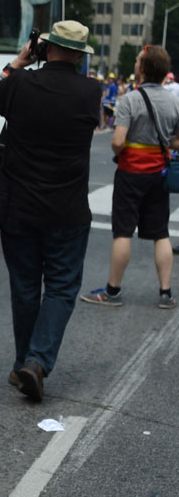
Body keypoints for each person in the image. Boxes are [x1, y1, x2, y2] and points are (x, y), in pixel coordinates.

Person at [0, 20, 101, 403]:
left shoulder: (21, 83)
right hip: (68, 211)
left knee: (25, 288)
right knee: (61, 288)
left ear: (46, 48)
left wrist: (17, 63)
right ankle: (36, 361)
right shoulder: (91, 92)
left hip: (18, 208)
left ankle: (23, 363)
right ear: (79, 55)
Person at [80, 44, 179, 309]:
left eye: (137, 60)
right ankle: (166, 293)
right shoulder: (174, 101)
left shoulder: (130, 100)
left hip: (131, 173)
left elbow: (117, 141)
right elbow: (176, 140)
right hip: (159, 174)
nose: (135, 63)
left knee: (123, 231)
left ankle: (112, 291)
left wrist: (122, 148)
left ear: (143, 68)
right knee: (160, 233)